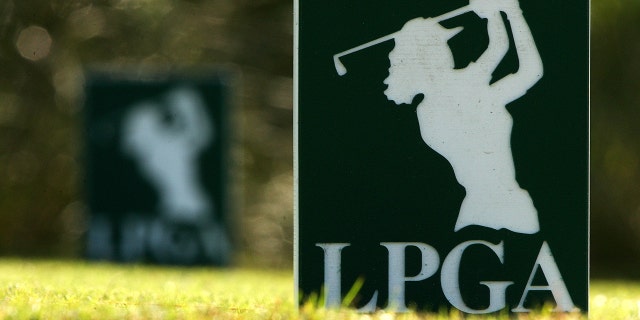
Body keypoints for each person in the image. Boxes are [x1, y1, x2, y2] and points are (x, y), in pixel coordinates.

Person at [383, 0, 543, 233]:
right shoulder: (445, 102)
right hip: (495, 207)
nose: (446, 49)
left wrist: (494, 13)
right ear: (429, 56)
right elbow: (529, 70)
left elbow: (498, 47)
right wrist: (512, 12)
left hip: (495, 204)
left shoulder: (458, 87)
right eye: (440, 44)